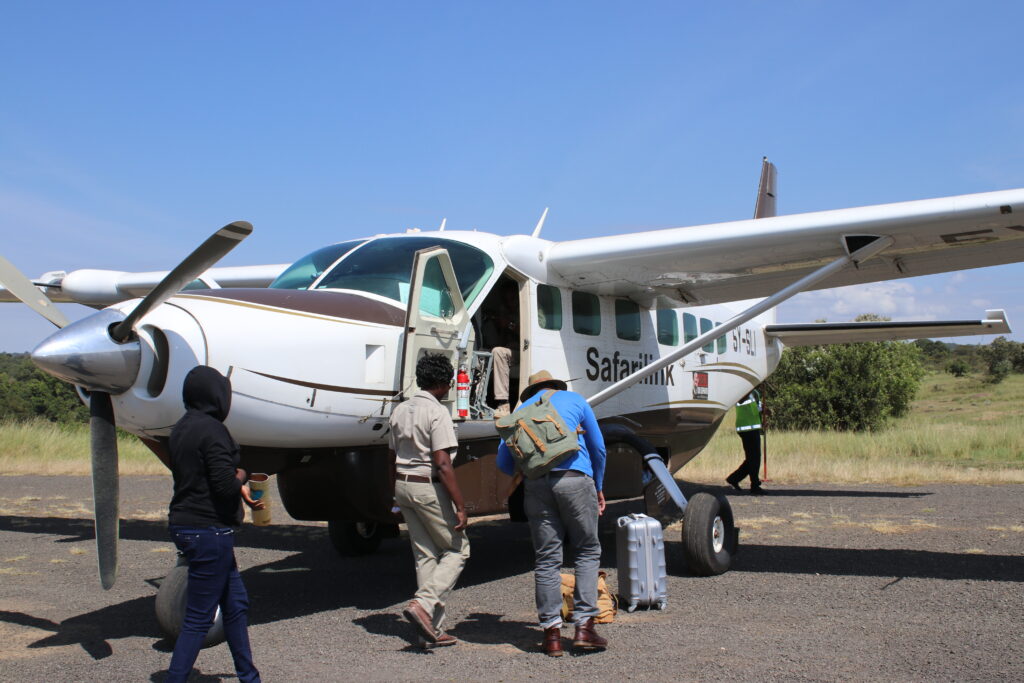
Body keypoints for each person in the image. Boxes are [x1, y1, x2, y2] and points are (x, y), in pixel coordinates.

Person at [496, 370, 608, 657]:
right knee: (586, 550)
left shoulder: (522, 409)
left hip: (537, 485)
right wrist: (598, 485)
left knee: (547, 558)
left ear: (532, 391)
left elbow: (503, 461)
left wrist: (530, 470)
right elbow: (598, 447)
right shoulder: (576, 400)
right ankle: (584, 628)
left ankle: (551, 635)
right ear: (554, 386)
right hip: (575, 478)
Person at [166, 365, 263, 683]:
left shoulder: (181, 428)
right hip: (209, 530)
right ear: (216, 396)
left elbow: (203, 477)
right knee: (199, 616)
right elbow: (224, 483)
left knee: (235, 604)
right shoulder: (213, 430)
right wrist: (243, 475)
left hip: (187, 524)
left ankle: (249, 676)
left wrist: (237, 485)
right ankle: (176, 677)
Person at [390, 353, 471, 649]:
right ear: (441, 382)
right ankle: (423, 605)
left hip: (403, 485)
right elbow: (443, 464)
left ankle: (430, 631)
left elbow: (391, 457)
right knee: (458, 549)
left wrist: (394, 496)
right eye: (449, 382)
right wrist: (460, 506)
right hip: (428, 487)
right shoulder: (437, 413)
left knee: (425, 553)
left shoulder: (400, 410)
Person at [480, 281, 518, 418]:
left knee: (498, 352)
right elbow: (501, 342)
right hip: (509, 352)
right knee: (486, 352)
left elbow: (533, 334)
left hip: (523, 352)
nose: (509, 303)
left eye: (512, 299)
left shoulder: (528, 309)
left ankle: (503, 403)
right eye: (506, 300)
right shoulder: (505, 312)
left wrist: (509, 324)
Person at [726, 388, 765, 494]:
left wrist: (763, 410)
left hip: (753, 427)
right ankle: (754, 485)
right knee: (754, 458)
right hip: (746, 428)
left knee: (752, 459)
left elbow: (754, 407)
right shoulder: (744, 388)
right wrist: (749, 387)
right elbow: (740, 400)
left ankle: (734, 478)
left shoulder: (755, 391)